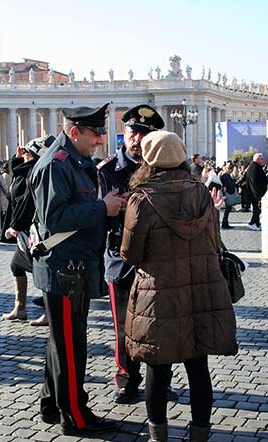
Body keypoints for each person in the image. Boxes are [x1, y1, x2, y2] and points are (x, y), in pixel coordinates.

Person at [120, 131, 238, 442]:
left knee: (158, 368)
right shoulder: (201, 193)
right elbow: (214, 243)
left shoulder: (141, 198)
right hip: (200, 290)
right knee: (198, 366)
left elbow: (130, 253)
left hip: (160, 296)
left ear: (148, 159)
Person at [30, 104, 125, 435]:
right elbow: (55, 218)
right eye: (95, 132)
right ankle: (75, 415)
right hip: (64, 268)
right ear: (74, 132)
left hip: (74, 265)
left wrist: (103, 204)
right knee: (71, 345)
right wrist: (102, 207)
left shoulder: (75, 162)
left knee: (61, 341)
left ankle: (50, 404)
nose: (100, 139)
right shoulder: (58, 165)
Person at [98, 105, 178, 404]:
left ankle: (161, 381)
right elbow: (98, 217)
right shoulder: (106, 171)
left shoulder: (164, 168)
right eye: (133, 132)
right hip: (120, 258)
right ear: (125, 133)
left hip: (156, 261)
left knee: (160, 325)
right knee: (123, 327)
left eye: (144, 133)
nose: (137, 138)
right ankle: (127, 380)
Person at [1, 136, 55, 324]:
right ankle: (20, 308)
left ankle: (49, 312)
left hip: (32, 231)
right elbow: (15, 175)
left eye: (26, 153)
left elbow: (27, 203)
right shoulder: (27, 170)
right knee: (17, 265)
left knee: (43, 271)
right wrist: (17, 158)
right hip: (26, 231)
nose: (23, 155)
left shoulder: (35, 172)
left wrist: (16, 226)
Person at [246, 152, 268, 231]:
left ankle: (256, 223)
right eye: (261, 159)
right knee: (257, 209)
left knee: (257, 209)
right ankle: (252, 223)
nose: (263, 160)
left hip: (254, 193)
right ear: (257, 159)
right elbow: (256, 182)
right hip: (256, 193)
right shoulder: (255, 168)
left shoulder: (253, 167)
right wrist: (261, 193)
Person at [220, 162, 238, 229]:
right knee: (227, 210)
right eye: (230, 169)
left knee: (228, 209)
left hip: (228, 194)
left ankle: (225, 223)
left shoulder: (227, 175)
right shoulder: (225, 176)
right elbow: (226, 185)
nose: (230, 170)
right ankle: (225, 223)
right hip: (228, 194)